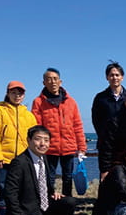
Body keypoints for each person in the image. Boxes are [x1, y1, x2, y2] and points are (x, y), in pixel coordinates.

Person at [4, 125, 76, 215]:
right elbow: (10, 193)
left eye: (46, 140)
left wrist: (53, 193)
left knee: (69, 202)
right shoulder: (19, 162)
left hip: (41, 207)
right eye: (38, 139)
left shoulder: (43, 158)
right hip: (26, 214)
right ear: (29, 140)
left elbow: (42, 183)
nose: (43, 144)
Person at [0, 81, 37, 215]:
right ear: (8, 93)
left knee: (23, 193)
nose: (17, 95)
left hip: (23, 161)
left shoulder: (29, 115)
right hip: (4, 160)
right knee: (5, 192)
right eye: (13, 92)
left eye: (20, 93)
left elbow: (34, 138)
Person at [32, 67, 86, 197]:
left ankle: (66, 205)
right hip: (48, 148)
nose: (53, 82)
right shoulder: (38, 102)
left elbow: (77, 125)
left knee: (67, 178)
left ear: (60, 81)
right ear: (44, 82)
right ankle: (49, 204)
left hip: (68, 147)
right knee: (48, 178)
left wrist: (82, 147)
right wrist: (38, 146)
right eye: (49, 79)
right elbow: (37, 126)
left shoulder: (70, 102)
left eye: (55, 79)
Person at [91, 61, 126, 160]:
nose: (114, 78)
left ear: (122, 77)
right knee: (106, 173)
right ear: (107, 77)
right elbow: (96, 120)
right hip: (106, 145)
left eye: (117, 75)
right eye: (111, 75)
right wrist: (104, 136)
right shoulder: (100, 98)